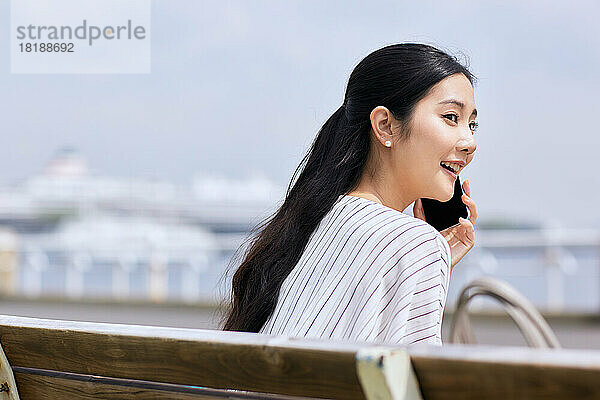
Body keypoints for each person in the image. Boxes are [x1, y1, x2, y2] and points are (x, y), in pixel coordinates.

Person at [222, 43, 478, 346]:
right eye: (451, 117)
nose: (469, 141)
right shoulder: (414, 243)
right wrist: (426, 257)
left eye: (472, 124)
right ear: (385, 126)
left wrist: (430, 267)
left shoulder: (311, 219)